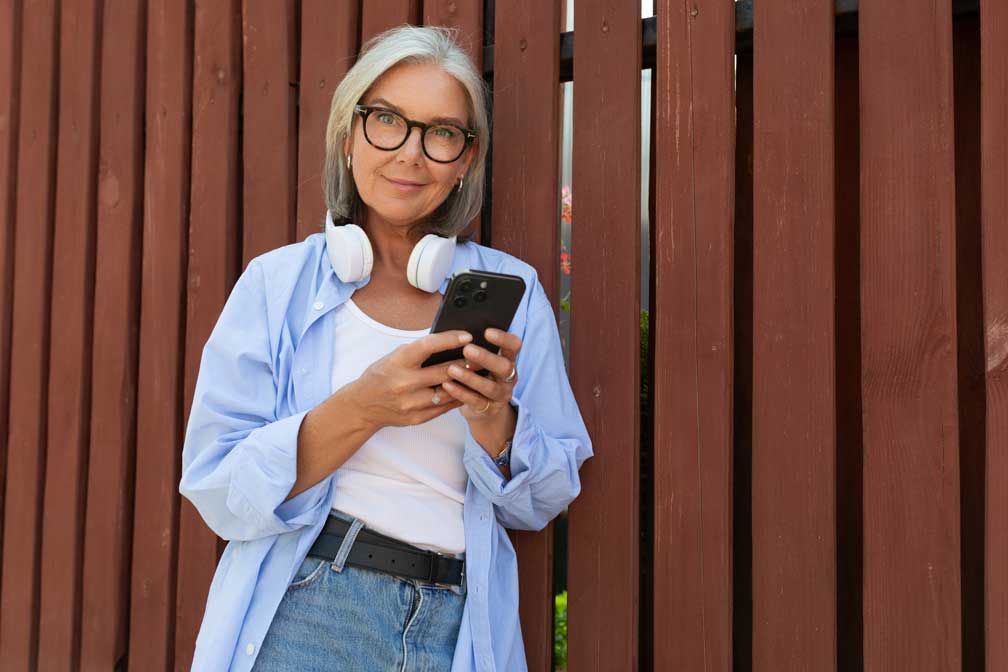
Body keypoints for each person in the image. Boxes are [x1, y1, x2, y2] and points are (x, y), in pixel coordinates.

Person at [179, 24, 592, 672]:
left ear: (465, 159)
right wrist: (365, 407)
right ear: (348, 136)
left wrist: (493, 421)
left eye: (441, 133)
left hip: (457, 625)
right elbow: (219, 489)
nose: (411, 153)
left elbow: (544, 497)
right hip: (314, 607)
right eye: (387, 121)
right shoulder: (276, 285)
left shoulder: (515, 294)